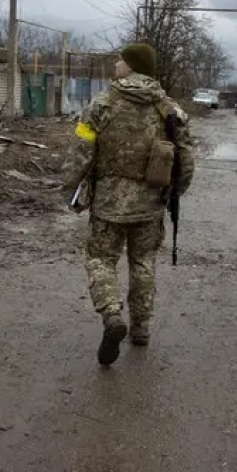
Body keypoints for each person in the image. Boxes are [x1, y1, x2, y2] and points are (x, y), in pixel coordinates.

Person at [62, 43, 195, 366]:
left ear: (133, 66)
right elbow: (186, 157)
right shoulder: (169, 109)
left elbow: (81, 152)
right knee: (144, 261)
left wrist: (70, 189)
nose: (116, 64)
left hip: (108, 203)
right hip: (151, 203)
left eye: (121, 60)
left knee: (100, 259)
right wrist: (175, 192)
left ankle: (111, 315)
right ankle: (141, 327)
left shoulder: (102, 104)